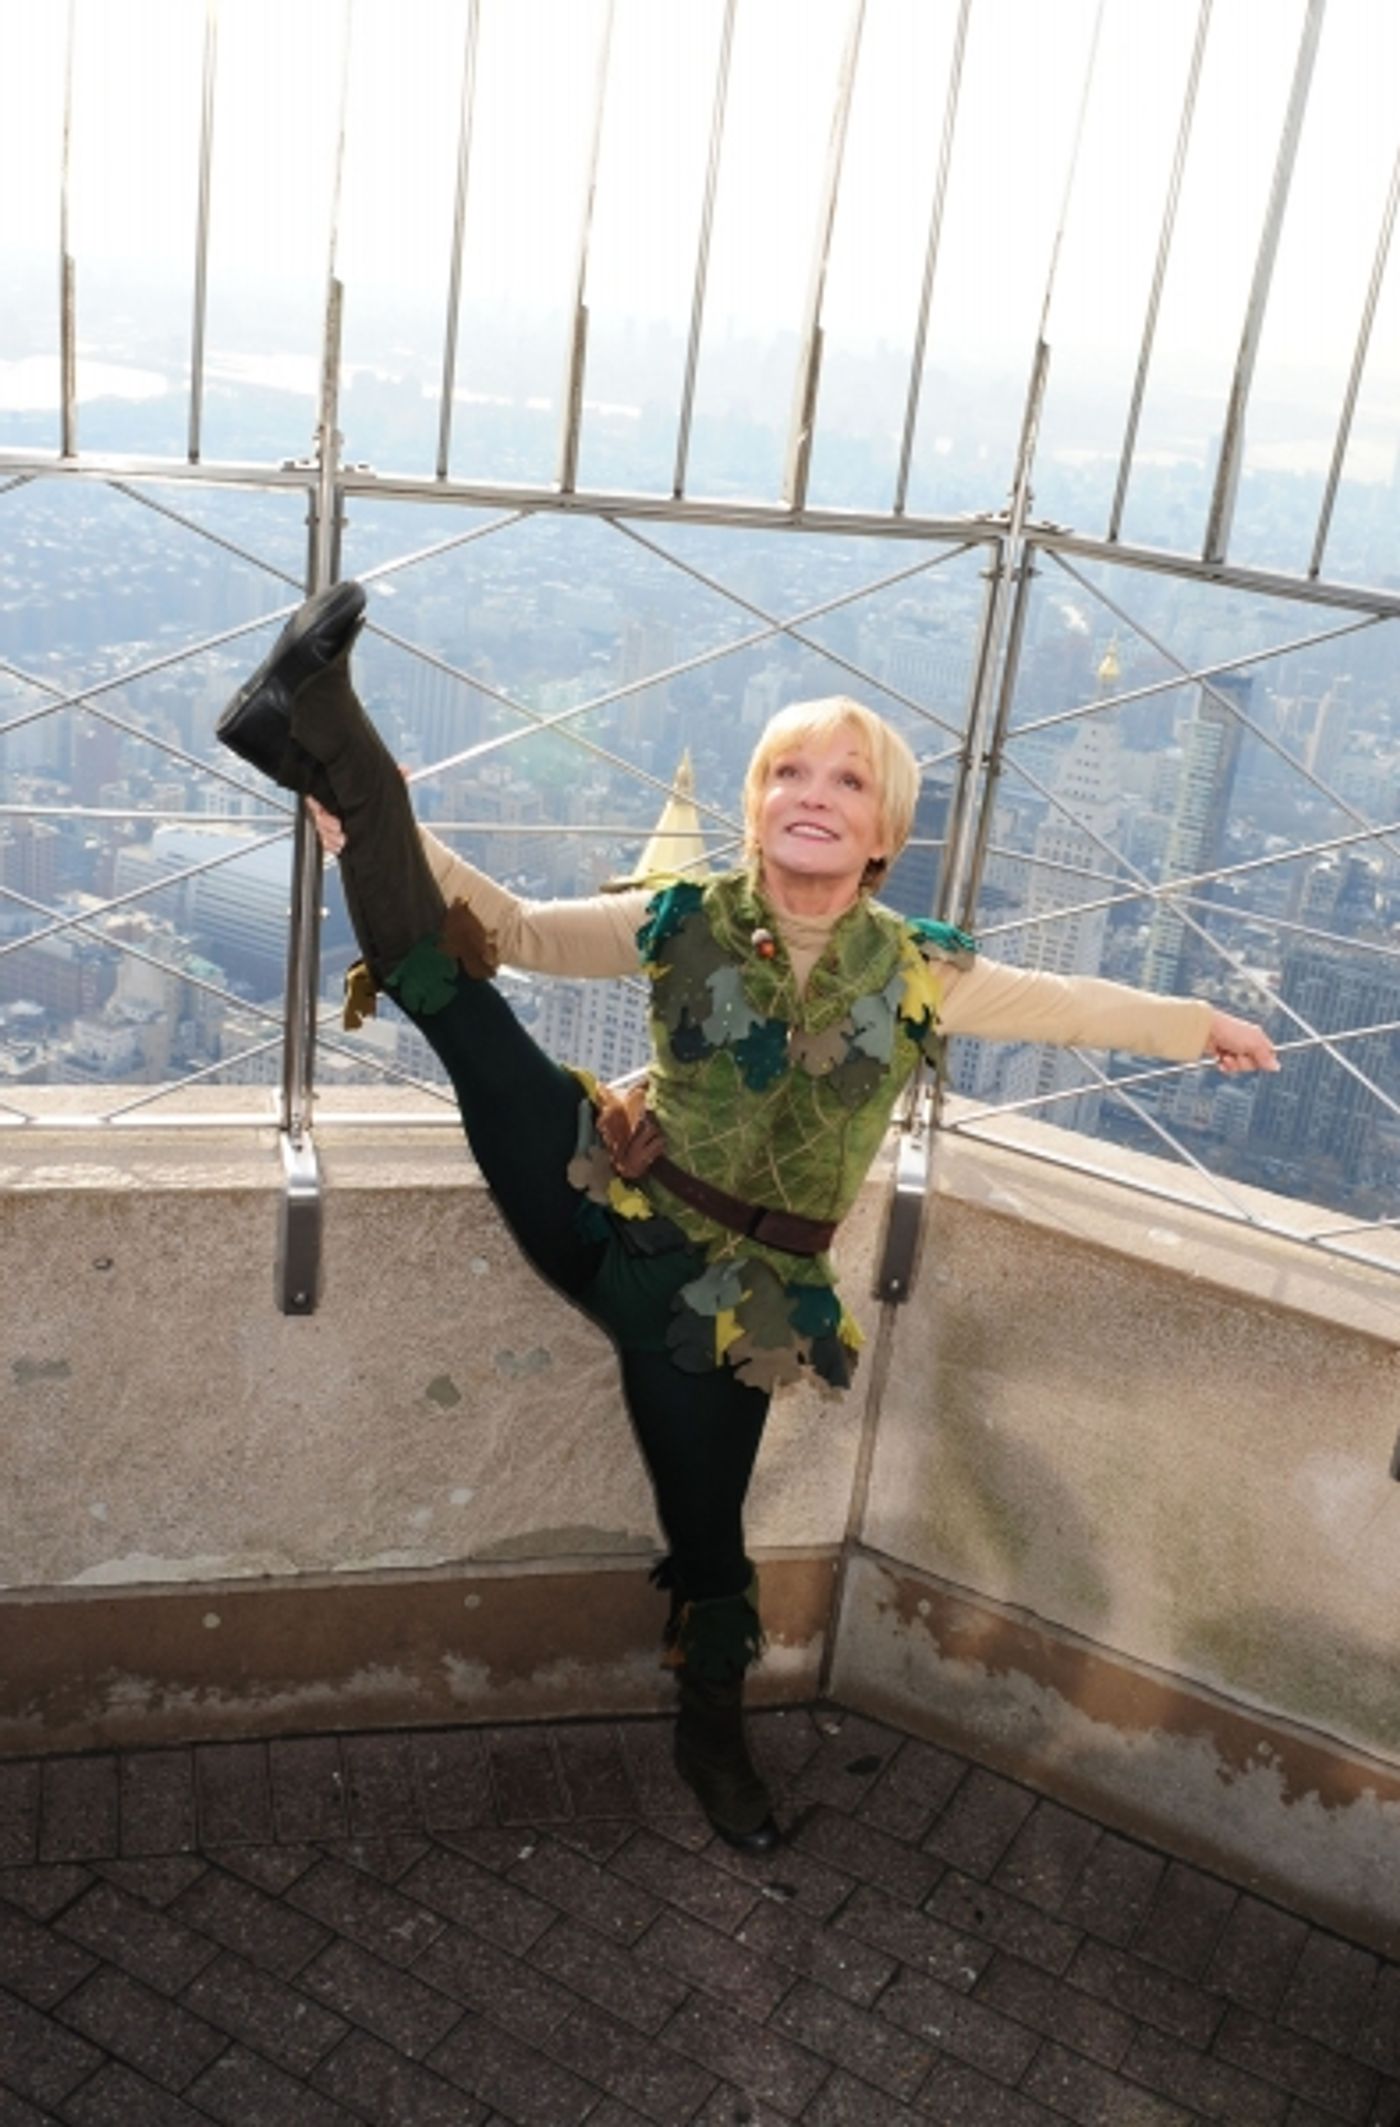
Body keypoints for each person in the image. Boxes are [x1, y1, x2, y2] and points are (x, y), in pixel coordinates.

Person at [218, 580, 1278, 1852]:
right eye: (787, 773)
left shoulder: (919, 967)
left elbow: (1061, 1004)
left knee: (707, 1532)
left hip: (727, 1313)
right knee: (457, 1001)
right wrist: (378, 840)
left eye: (844, 780)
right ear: (754, 808)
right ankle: (326, 731)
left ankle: (709, 1730)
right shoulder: (678, 921)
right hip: (600, 1200)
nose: (813, 794)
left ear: (884, 829)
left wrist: (1194, 1026)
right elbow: (508, 932)